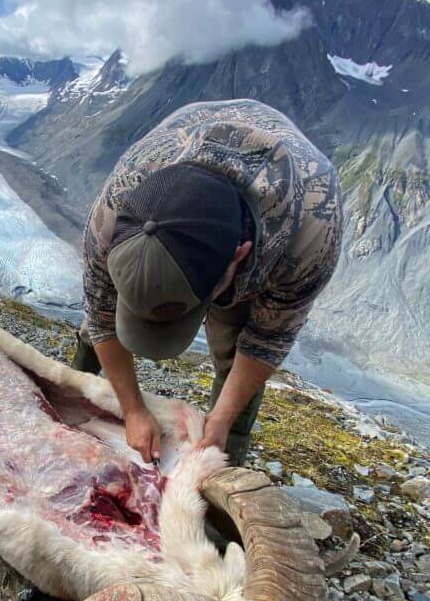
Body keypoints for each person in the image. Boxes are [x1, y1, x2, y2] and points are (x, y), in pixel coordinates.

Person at [74, 99, 343, 467]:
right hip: (186, 144)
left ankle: (221, 455)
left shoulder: (311, 227)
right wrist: (133, 409)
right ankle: (71, 395)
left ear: (238, 256)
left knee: (233, 357)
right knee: (97, 325)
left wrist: (220, 420)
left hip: (272, 234)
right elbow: (102, 310)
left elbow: (267, 339)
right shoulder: (119, 202)